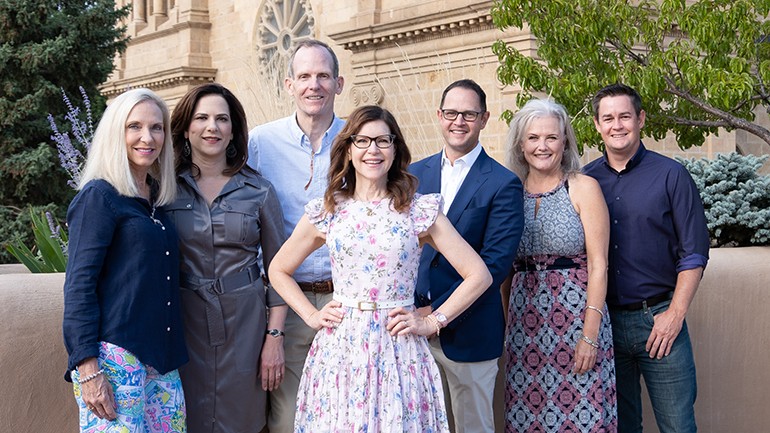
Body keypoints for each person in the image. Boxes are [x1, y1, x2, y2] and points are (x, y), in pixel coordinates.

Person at [268, 105, 493, 432]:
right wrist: (311, 315)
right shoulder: (329, 209)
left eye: (383, 141)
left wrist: (432, 320)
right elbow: (278, 269)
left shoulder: (417, 209)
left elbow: (479, 274)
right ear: (348, 149)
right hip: (342, 350)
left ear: (395, 149)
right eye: (362, 141)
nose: (373, 150)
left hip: (398, 348)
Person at [583, 83, 709, 433]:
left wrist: (675, 314)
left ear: (640, 119)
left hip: (658, 320)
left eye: (625, 116)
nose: (617, 125)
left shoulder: (671, 176)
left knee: (677, 424)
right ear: (597, 124)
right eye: (608, 118)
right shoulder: (586, 181)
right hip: (605, 324)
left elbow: (694, 252)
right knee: (619, 425)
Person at [62, 88, 187, 433]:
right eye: (135, 127)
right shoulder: (98, 197)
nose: (148, 137)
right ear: (116, 132)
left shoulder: (156, 203)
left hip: (162, 361)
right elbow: (78, 287)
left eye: (157, 127)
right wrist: (87, 369)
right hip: (114, 362)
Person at [165, 83, 287, 433]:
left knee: (243, 418)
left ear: (234, 130)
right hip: (184, 320)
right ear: (186, 129)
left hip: (244, 324)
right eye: (201, 118)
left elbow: (279, 270)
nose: (212, 127)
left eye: (222, 119)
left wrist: (274, 337)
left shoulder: (259, 191)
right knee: (187, 416)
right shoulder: (165, 189)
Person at [409, 79, 524, 433]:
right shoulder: (413, 175)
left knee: (473, 427)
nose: (459, 121)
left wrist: (435, 312)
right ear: (439, 116)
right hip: (412, 331)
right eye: (451, 113)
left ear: (485, 118)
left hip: (471, 331)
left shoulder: (502, 183)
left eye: (469, 114)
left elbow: (495, 264)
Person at [247, 38, 344, 433]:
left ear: (339, 83)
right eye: (304, 76)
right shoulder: (260, 143)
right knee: (287, 419)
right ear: (289, 85)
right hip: (286, 302)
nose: (313, 85)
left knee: (346, 413)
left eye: (323, 75)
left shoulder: (361, 141)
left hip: (346, 302)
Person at [502, 98, 617, 432]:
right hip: (526, 328)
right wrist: (510, 327)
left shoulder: (583, 187)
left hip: (577, 322)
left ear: (564, 141)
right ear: (521, 144)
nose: (542, 146)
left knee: (583, 415)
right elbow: (506, 273)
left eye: (551, 137)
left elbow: (599, 265)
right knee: (528, 418)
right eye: (534, 138)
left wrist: (590, 336)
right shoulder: (510, 193)